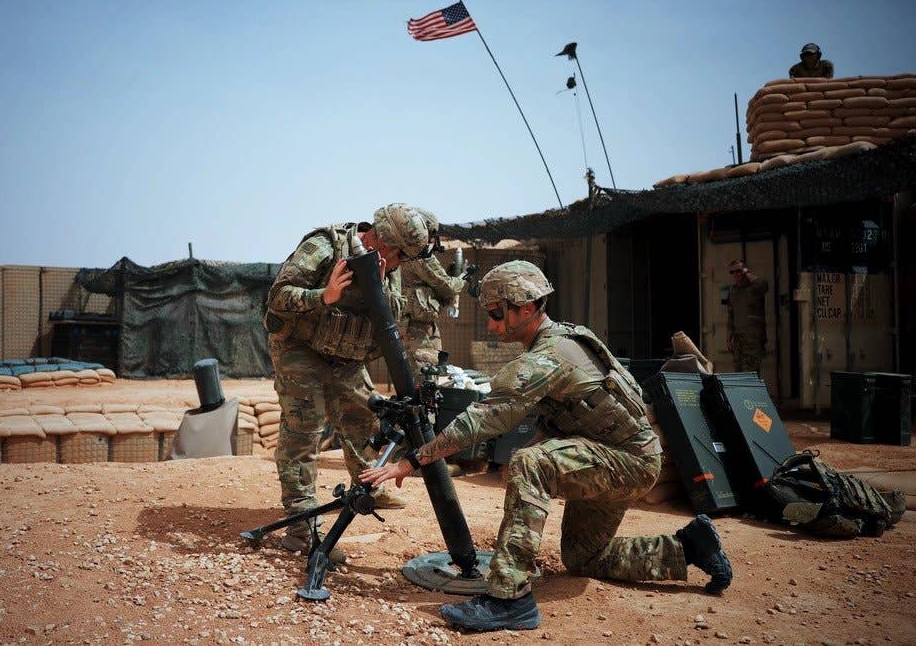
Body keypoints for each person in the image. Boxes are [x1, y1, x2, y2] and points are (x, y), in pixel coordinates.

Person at [361, 260, 733, 632]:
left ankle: (509, 599)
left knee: (530, 463)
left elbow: (485, 418)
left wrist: (411, 462)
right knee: (584, 557)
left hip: (626, 463)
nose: (490, 324)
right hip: (619, 454)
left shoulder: (545, 357)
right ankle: (689, 547)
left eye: (495, 313)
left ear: (525, 308)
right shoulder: (570, 336)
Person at [265, 203, 430, 563]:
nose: (402, 263)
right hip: (301, 348)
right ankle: (300, 528)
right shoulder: (325, 247)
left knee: (364, 419)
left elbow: (392, 313)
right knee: (304, 430)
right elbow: (277, 297)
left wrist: (381, 286)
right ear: (386, 243)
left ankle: (368, 484)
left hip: (346, 354)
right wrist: (322, 297)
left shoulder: (388, 266)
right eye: (402, 255)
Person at [398, 208, 466, 375]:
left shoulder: (399, 253)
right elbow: (448, 286)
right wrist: (463, 278)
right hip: (419, 333)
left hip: (404, 327)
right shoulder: (420, 256)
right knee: (426, 380)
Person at [726, 260, 769, 375]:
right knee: (739, 373)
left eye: (739, 270)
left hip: (753, 338)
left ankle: (752, 394)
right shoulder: (732, 291)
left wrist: (748, 273)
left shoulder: (754, 288)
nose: (736, 274)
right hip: (738, 339)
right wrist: (729, 338)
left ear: (744, 270)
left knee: (751, 374)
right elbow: (731, 315)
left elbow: (763, 286)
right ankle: (742, 394)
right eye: (732, 272)